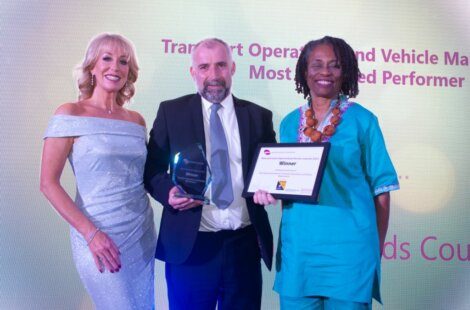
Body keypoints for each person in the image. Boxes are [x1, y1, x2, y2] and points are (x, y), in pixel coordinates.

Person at [254, 36, 399, 309]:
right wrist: (267, 190)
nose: (325, 72)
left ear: (345, 72)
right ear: (304, 71)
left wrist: (375, 247)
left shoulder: (363, 121)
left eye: (334, 66)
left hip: (350, 252)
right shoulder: (288, 123)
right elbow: (283, 179)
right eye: (317, 64)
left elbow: (382, 191)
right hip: (299, 253)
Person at [144, 38, 276, 310]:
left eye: (221, 66)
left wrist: (272, 186)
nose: (213, 75)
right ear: (193, 72)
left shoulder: (258, 116)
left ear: (233, 68)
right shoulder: (171, 112)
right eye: (204, 67)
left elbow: (270, 170)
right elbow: (152, 168)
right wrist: (168, 192)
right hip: (191, 248)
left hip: (244, 245)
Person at [40, 33, 156, 309]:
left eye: (123, 61)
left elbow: (144, 176)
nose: (115, 67)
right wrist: (91, 234)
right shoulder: (70, 113)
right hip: (96, 234)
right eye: (107, 58)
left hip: (141, 235)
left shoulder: (136, 120)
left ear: (130, 71)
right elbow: (48, 183)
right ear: (92, 66)